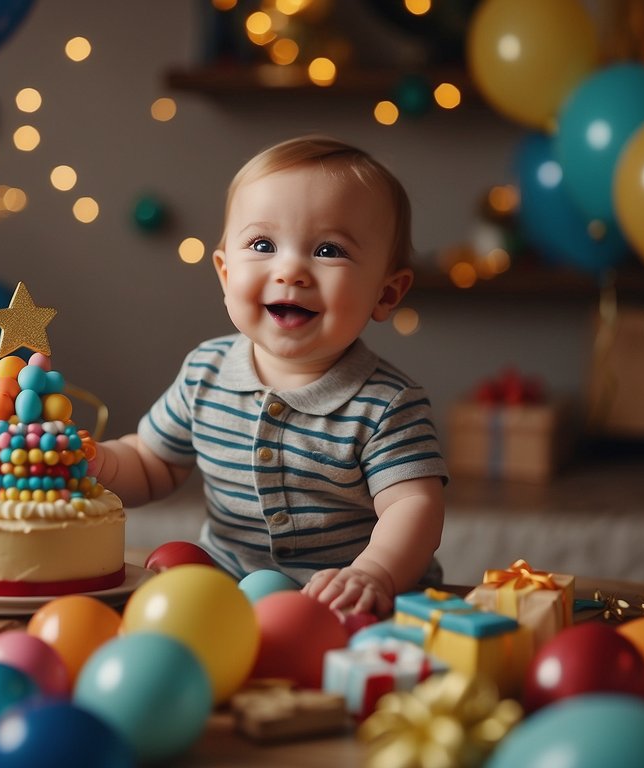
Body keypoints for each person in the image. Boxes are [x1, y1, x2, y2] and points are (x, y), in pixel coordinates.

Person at [93, 135, 447, 617]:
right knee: (161, 587)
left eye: (328, 250)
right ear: (224, 273)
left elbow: (414, 509)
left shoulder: (386, 404)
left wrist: (374, 573)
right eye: (263, 244)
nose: (291, 270)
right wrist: (93, 464)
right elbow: (151, 462)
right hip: (226, 592)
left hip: (340, 603)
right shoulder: (205, 372)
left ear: (387, 293)